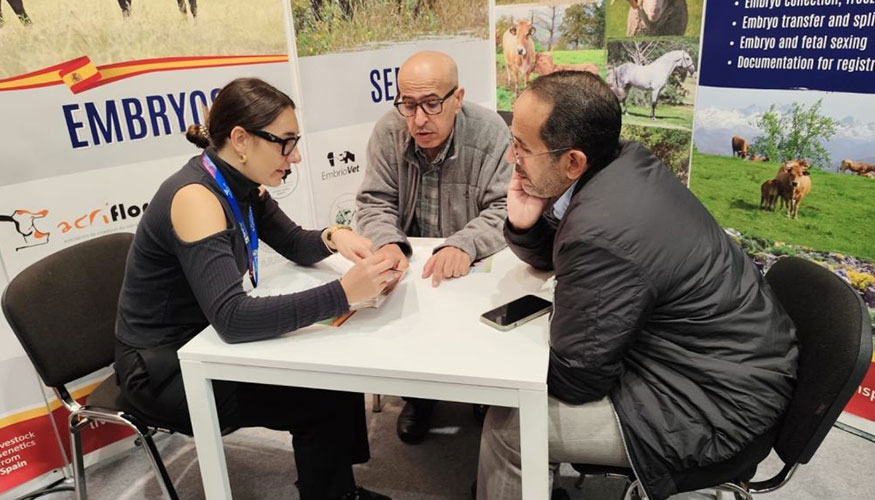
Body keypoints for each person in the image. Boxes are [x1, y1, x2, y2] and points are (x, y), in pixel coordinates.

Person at [476, 71, 798, 500]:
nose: (510, 156)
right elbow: (564, 255)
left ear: (572, 161)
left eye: (522, 146)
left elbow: (579, 381)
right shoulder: (619, 163)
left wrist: (498, 366)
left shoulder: (602, 229)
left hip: (713, 406)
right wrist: (523, 222)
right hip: (725, 365)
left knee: (510, 425)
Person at [114, 77, 393, 500]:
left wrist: (336, 236)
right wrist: (343, 292)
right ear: (241, 139)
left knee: (332, 374)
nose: (295, 156)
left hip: (204, 343)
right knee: (319, 396)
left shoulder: (239, 182)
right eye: (285, 143)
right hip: (165, 369)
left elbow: (294, 240)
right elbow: (232, 319)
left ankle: (336, 489)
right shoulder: (196, 198)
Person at [356, 50, 513, 444]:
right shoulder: (389, 131)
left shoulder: (490, 131)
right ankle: (419, 398)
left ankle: (481, 395)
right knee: (402, 323)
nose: (419, 119)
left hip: (475, 264)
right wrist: (389, 242)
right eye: (408, 105)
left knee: (479, 328)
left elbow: (506, 206)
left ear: (458, 98)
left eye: (431, 104)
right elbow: (374, 202)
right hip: (413, 265)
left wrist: (465, 243)